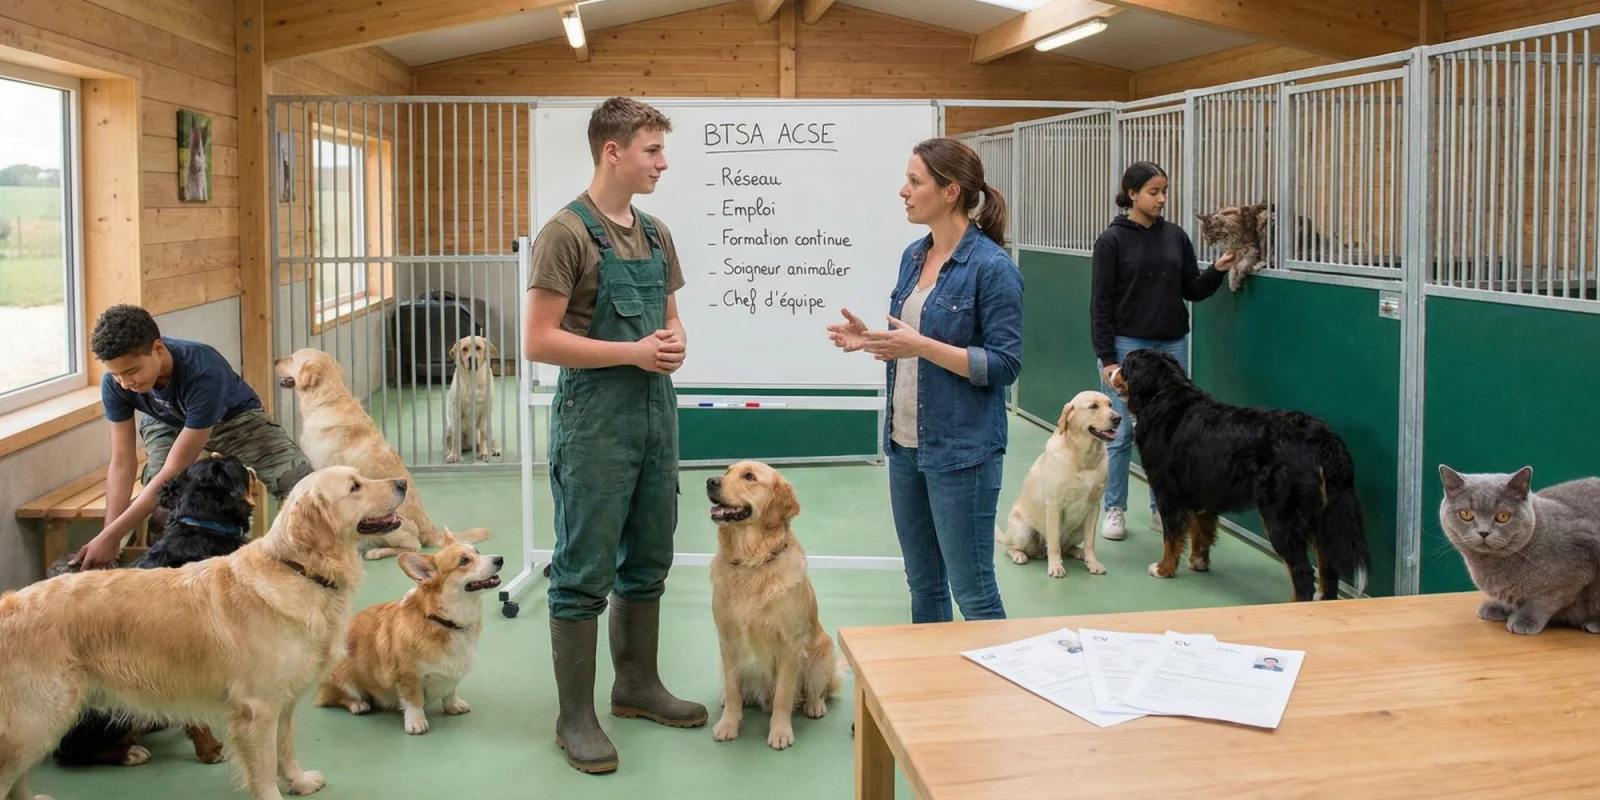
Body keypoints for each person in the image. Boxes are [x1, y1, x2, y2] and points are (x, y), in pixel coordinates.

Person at [521, 96, 703, 774]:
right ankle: (575, 716)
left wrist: (675, 343)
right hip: (594, 423)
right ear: (613, 152)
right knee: (583, 571)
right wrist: (631, 354)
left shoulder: (655, 233)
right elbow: (539, 341)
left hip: (657, 417)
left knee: (649, 557)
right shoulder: (565, 233)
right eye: (652, 150)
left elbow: (672, 316)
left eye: (662, 150)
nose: (662, 162)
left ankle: (637, 686)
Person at [828, 137, 1023, 624]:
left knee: (974, 594)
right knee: (924, 587)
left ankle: (991, 698)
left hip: (963, 454)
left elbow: (1004, 365)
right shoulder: (914, 256)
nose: (903, 191)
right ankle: (930, 696)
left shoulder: (993, 269)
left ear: (950, 191)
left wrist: (921, 347)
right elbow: (913, 341)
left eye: (915, 181)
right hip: (906, 446)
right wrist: (872, 341)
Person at [72, 304, 313, 570]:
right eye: (115, 373)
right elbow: (121, 462)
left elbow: (174, 469)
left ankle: (304, 566)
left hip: (233, 419)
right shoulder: (116, 384)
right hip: (166, 420)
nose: (125, 382)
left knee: (301, 484)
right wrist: (111, 538)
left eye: (132, 371)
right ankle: (167, 586)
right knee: (165, 503)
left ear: (158, 349)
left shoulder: (203, 371)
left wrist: (110, 536)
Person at [1090, 161, 1234, 542]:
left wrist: (1217, 270)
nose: (1161, 199)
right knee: (1118, 433)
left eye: (1165, 191)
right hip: (1128, 347)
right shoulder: (1112, 241)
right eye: (1154, 192)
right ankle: (1115, 509)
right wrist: (1108, 359)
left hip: (1171, 347)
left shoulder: (1176, 236)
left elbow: (1193, 289)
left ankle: (1163, 509)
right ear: (1132, 194)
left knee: (1173, 434)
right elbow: (1100, 304)